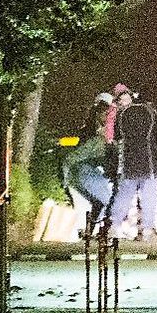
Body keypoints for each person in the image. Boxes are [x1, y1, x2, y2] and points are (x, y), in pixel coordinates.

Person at [107, 87, 157, 240]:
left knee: (124, 194)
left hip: (128, 161)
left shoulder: (123, 114)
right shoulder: (152, 114)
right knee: (149, 197)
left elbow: (117, 137)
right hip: (149, 161)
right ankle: (147, 229)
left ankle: (115, 225)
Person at [63, 94, 114, 235]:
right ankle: (97, 231)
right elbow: (77, 156)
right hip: (84, 169)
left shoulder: (101, 134)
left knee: (101, 202)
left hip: (89, 169)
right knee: (107, 200)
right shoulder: (96, 137)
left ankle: (91, 231)